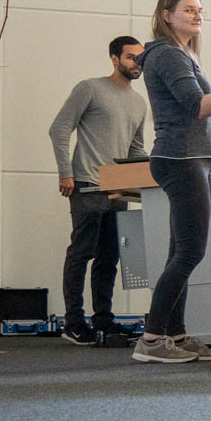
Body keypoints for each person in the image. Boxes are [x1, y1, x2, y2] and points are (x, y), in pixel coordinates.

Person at [132, 0, 211, 364]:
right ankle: (152, 340)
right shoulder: (169, 54)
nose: (197, 15)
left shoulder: (185, 53)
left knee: (180, 252)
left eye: (200, 10)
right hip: (180, 159)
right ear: (166, 15)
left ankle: (177, 335)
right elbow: (197, 106)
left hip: (194, 161)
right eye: (189, 10)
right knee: (190, 252)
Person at [49, 36, 148, 347]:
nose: (137, 64)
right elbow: (59, 128)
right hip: (88, 184)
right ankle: (73, 322)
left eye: (140, 59)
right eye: (131, 58)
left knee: (110, 256)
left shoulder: (139, 102)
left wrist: (140, 182)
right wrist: (65, 172)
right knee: (82, 252)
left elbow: (136, 148)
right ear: (114, 58)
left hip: (119, 191)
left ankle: (103, 320)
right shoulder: (89, 88)